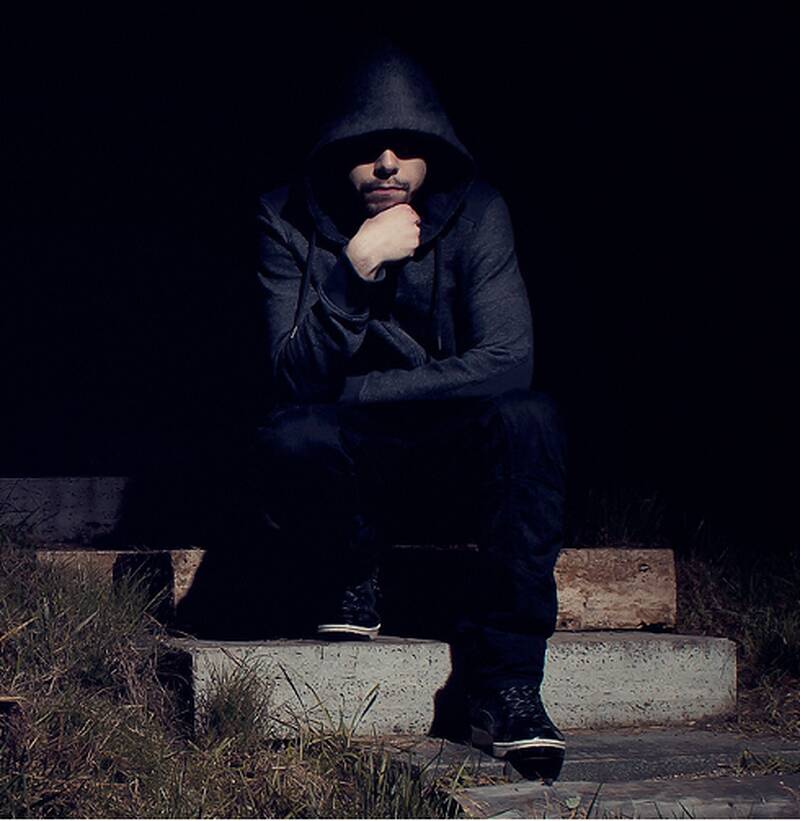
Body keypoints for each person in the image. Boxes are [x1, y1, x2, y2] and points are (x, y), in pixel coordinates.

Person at [253, 44, 568, 778]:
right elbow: (291, 377)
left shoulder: (480, 212)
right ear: (338, 153)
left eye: (406, 146)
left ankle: (508, 685)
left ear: (436, 153)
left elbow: (508, 361)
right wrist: (355, 267)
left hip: (451, 463)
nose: (387, 163)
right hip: (351, 476)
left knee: (530, 419)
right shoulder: (283, 219)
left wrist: (362, 391)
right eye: (367, 147)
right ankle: (349, 571)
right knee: (290, 435)